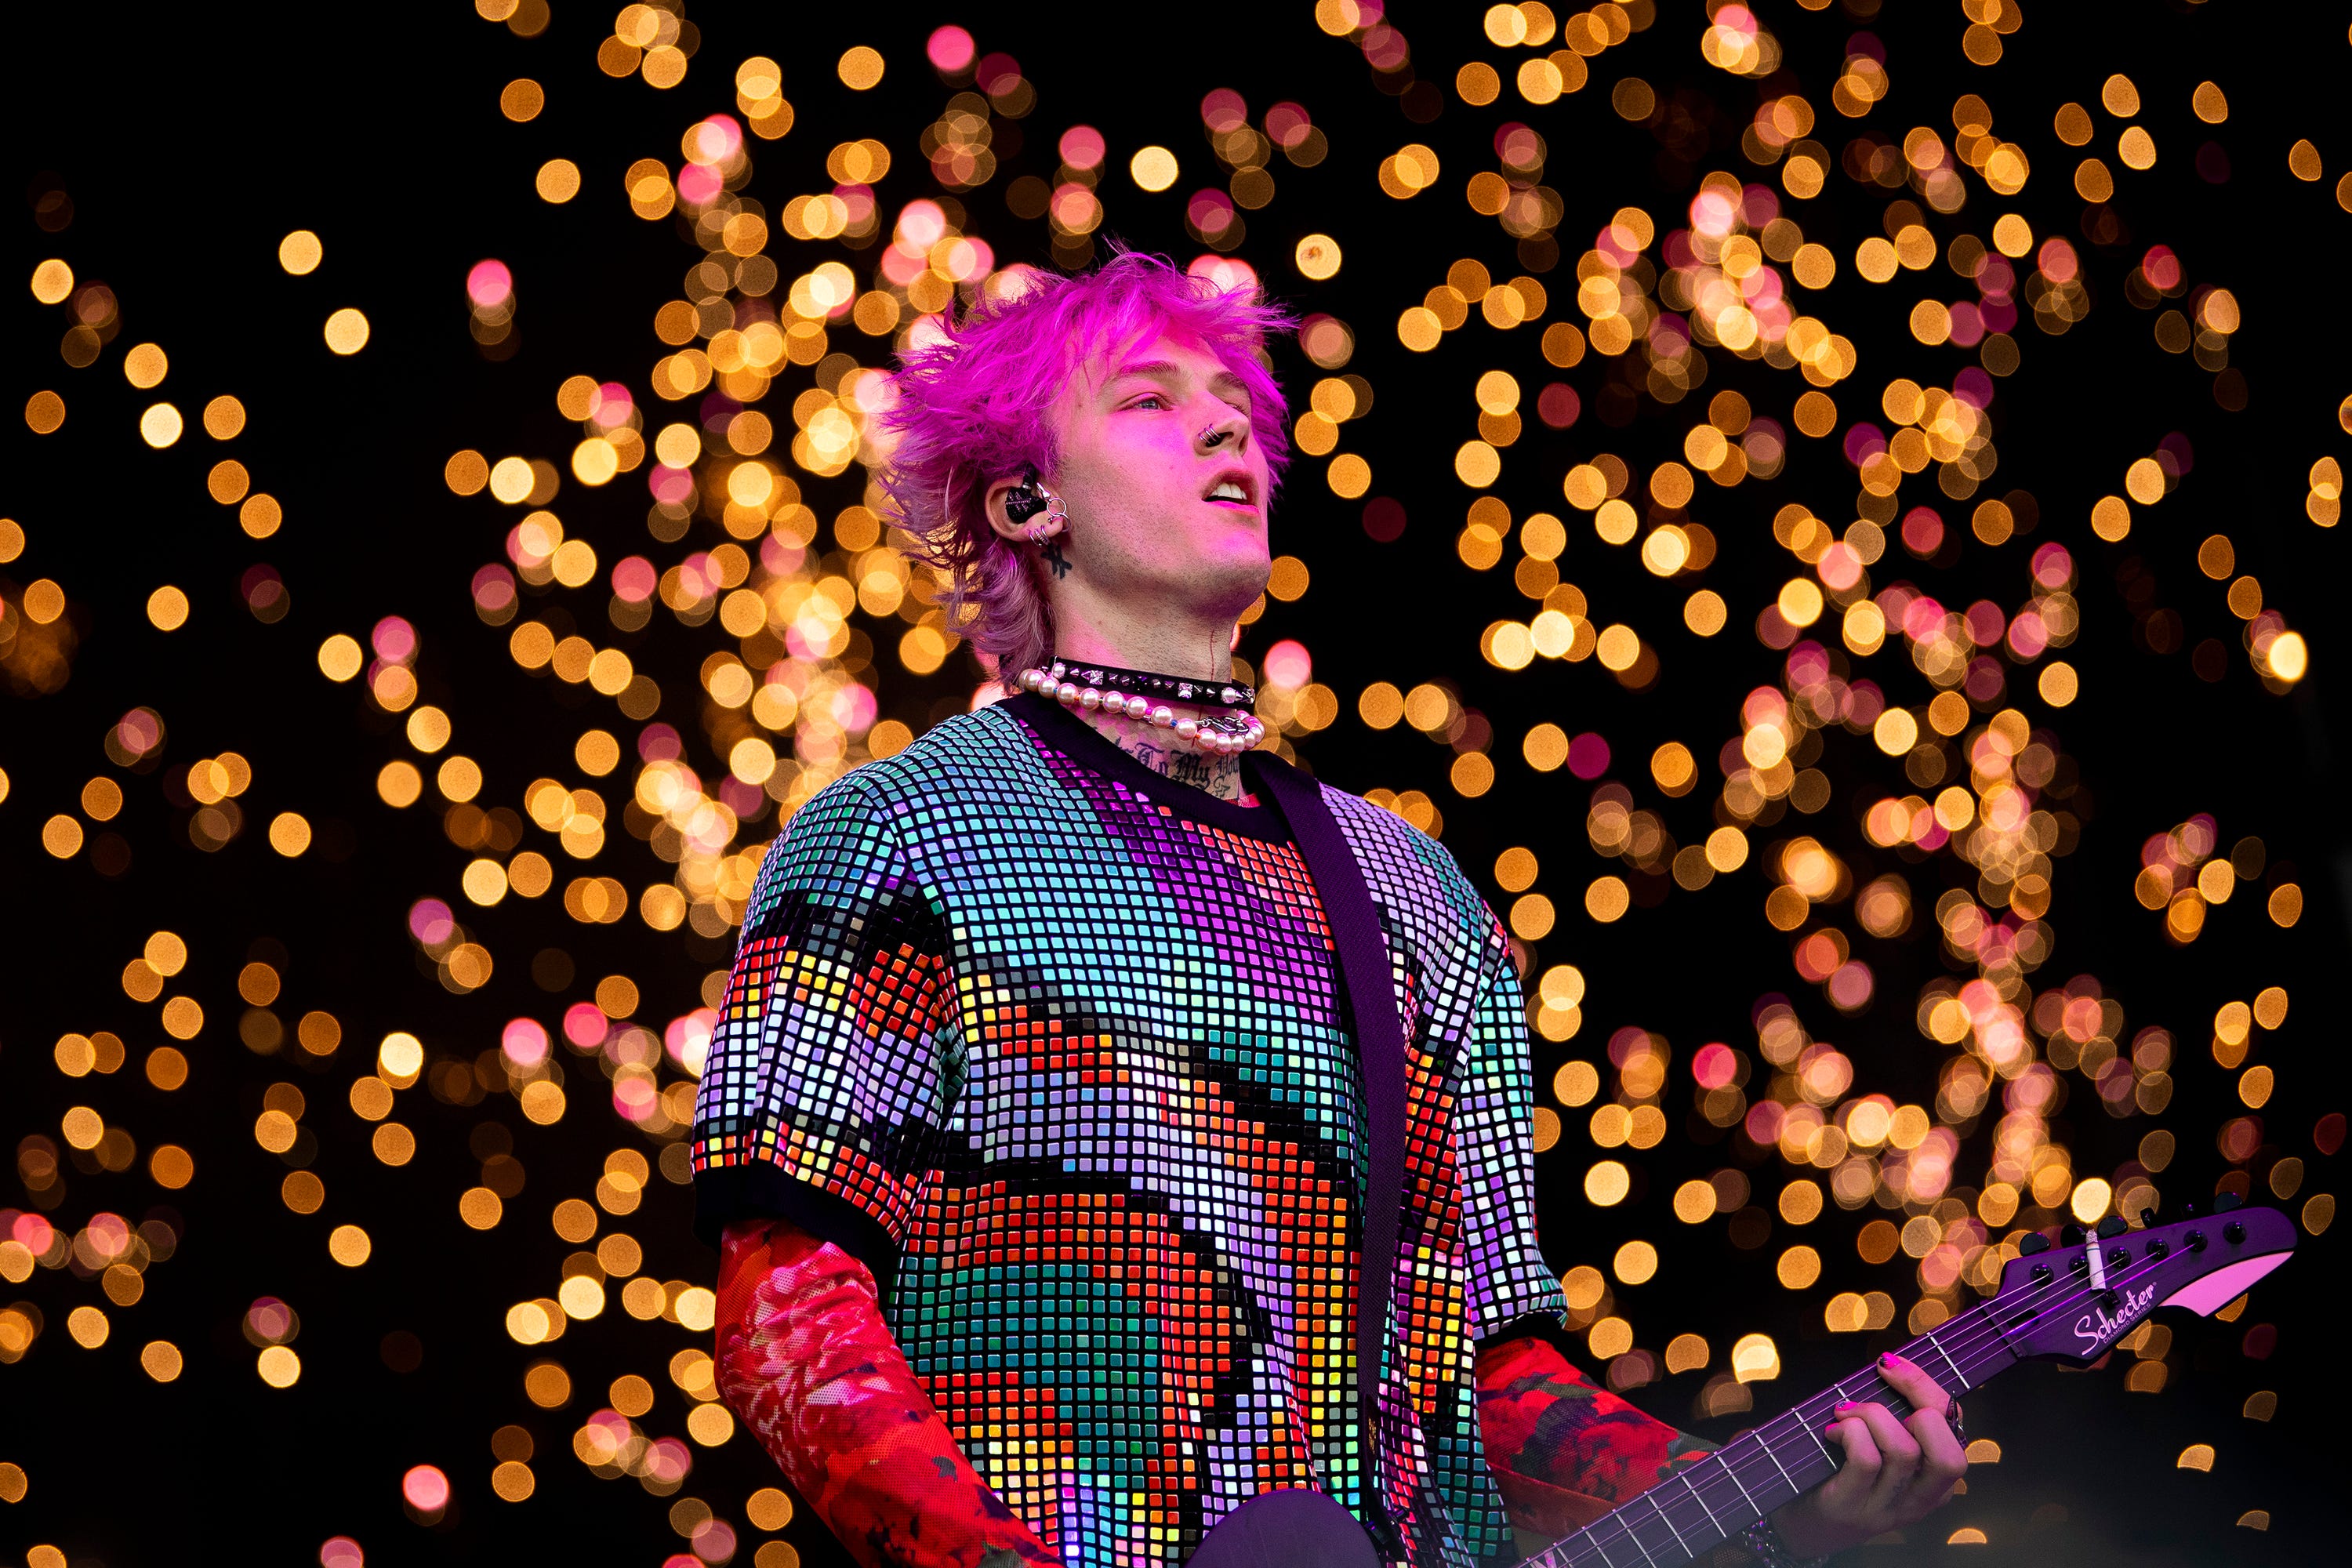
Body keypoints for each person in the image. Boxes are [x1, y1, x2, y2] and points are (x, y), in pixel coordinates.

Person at [689, 252, 1965, 1568]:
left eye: (1234, 407)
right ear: (1027, 499)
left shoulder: (1416, 893)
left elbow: (1486, 1383)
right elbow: (789, 1317)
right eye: (1148, 400)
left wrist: (1777, 1489)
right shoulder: (897, 833)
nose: (1225, 429)